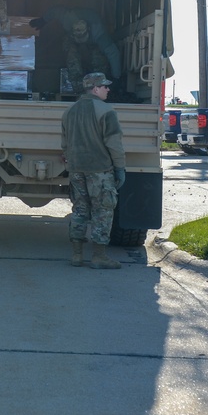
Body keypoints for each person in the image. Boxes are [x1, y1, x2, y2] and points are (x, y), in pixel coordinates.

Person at [61, 72, 126, 269]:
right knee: (103, 210)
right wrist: (120, 168)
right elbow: (114, 143)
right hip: (100, 169)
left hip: (76, 169)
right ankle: (99, 256)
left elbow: (65, 144)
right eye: (105, 86)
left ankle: (77, 255)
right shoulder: (106, 111)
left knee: (79, 209)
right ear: (95, 88)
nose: (108, 89)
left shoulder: (69, 111)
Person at [30, 7, 122, 95]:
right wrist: (44, 19)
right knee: (71, 55)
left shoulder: (99, 34)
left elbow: (113, 54)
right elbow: (56, 11)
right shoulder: (67, 19)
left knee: (99, 59)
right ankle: (77, 86)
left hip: (93, 40)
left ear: (88, 30)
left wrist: (116, 77)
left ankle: (97, 86)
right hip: (71, 37)